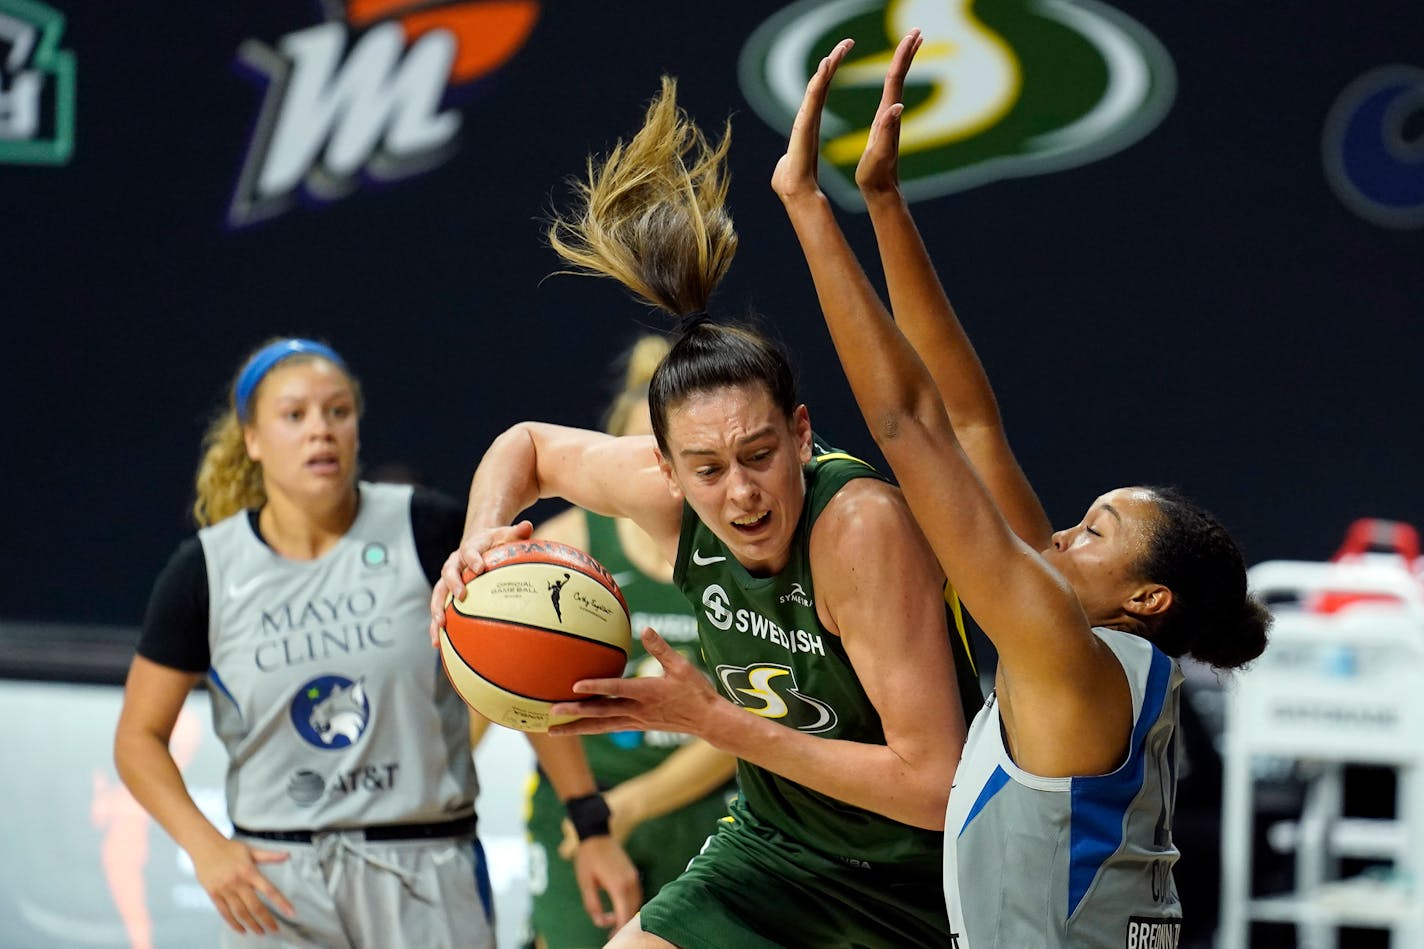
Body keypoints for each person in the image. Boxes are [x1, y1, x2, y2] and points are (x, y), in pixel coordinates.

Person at [431, 77, 984, 949]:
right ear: (667, 469)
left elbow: (934, 781)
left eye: (760, 454)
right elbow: (526, 445)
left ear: (801, 434)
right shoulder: (668, 493)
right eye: (708, 468)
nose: (740, 491)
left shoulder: (860, 530)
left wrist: (718, 724)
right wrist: (478, 543)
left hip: (915, 880)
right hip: (775, 852)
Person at [771, 32, 1271, 947]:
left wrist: (806, 206)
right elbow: (967, 423)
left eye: (1095, 529)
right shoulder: (1101, 655)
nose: (1062, 534)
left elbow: (907, 429)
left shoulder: (1066, 656)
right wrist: (882, 202)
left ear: (1145, 596)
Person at [113, 337, 638, 948]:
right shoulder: (205, 570)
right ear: (251, 439)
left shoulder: (427, 529)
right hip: (280, 880)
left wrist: (590, 823)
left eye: (338, 411)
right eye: (295, 415)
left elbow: (519, 678)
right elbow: (137, 738)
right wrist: (205, 848)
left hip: (428, 867)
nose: (321, 431)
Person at [470, 334, 740, 949]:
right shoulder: (565, 551)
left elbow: (752, 721)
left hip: (709, 814)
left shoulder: (743, 551)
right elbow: (511, 693)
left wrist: (637, 802)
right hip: (585, 814)